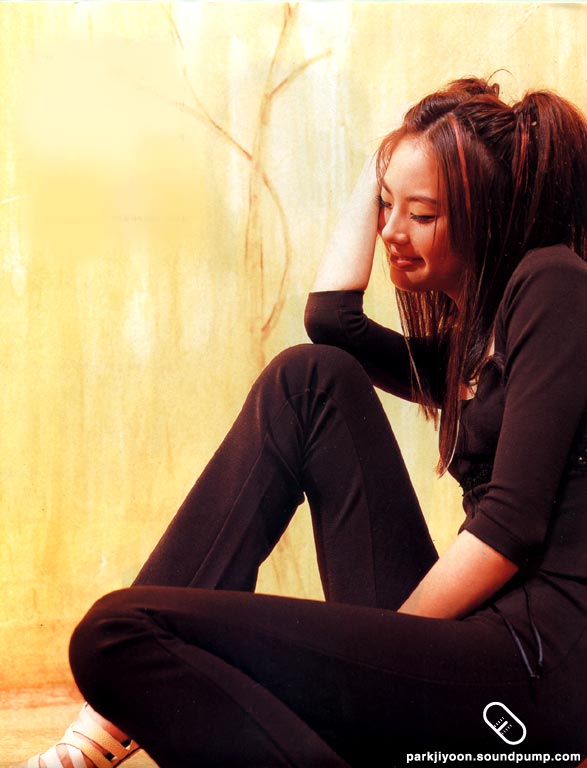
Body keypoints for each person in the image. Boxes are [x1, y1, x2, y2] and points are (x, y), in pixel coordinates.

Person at [20, 77, 587, 768]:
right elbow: (332, 322)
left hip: (534, 675)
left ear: (486, 215)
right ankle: (107, 727)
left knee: (115, 634)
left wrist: (372, 659)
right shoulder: (474, 339)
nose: (391, 232)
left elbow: (509, 528)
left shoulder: (553, 284)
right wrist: (394, 155)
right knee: (309, 379)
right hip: (473, 651)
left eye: (422, 214)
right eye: (386, 205)